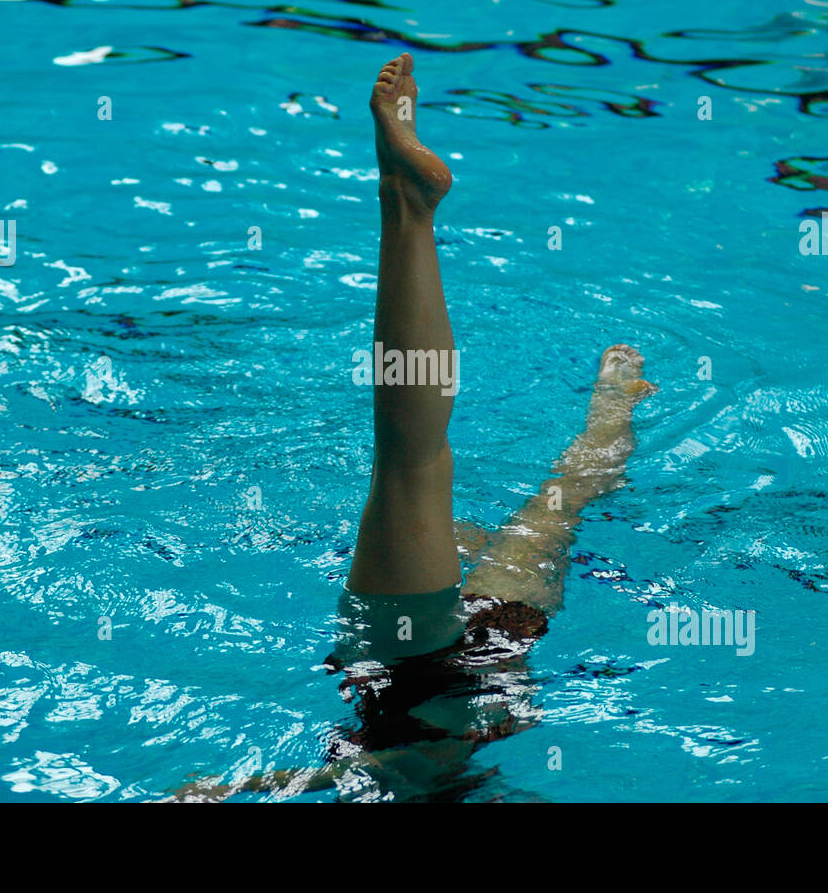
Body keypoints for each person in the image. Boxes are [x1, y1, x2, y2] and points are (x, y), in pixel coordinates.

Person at [176, 53, 655, 802]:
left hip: (502, 649)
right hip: (400, 669)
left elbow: (332, 776)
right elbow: (337, 774)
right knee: (409, 460)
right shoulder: (398, 777)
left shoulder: (445, 766)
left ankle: (613, 412)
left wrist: (245, 790)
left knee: (562, 497)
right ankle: (407, 206)